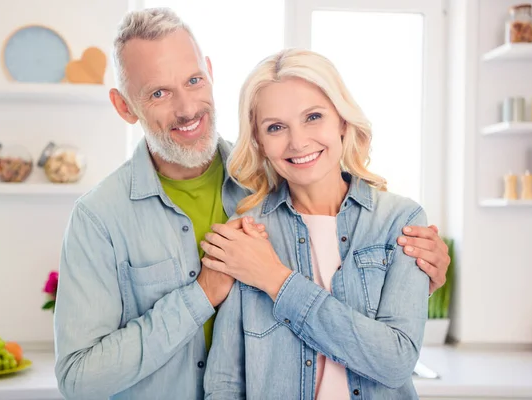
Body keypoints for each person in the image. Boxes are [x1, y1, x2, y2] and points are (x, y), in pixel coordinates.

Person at [53, 7, 451, 400]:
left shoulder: (270, 183)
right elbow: (79, 379)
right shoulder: (99, 218)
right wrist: (201, 294)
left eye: (193, 80)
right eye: (159, 93)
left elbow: (345, 261)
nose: (188, 108)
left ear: (209, 72)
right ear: (125, 107)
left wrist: (414, 277)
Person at [202, 48, 433, 399]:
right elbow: (226, 381)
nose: (298, 141)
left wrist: (276, 280)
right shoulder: (245, 232)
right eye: (276, 127)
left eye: (313, 117)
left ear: (341, 119)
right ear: (260, 143)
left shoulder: (400, 221)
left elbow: (395, 362)